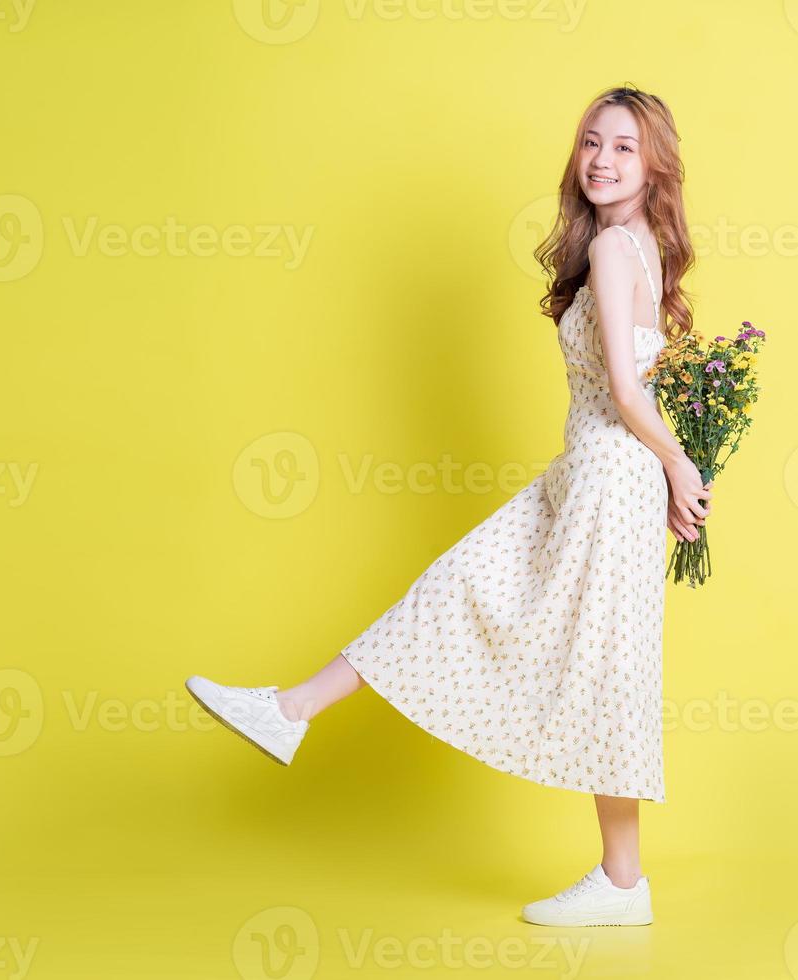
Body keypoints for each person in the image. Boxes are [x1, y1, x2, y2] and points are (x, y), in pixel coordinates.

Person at [185, 84, 713, 928]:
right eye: (589, 142)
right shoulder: (638, 245)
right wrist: (672, 473)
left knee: (589, 661)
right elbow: (646, 384)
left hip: (606, 478)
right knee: (477, 596)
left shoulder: (619, 251)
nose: (600, 159)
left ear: (654, 164)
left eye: (621, 145)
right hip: (592, 477)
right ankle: (288, 712)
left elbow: (622, 385)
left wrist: (675, 469)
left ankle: (622, 882)